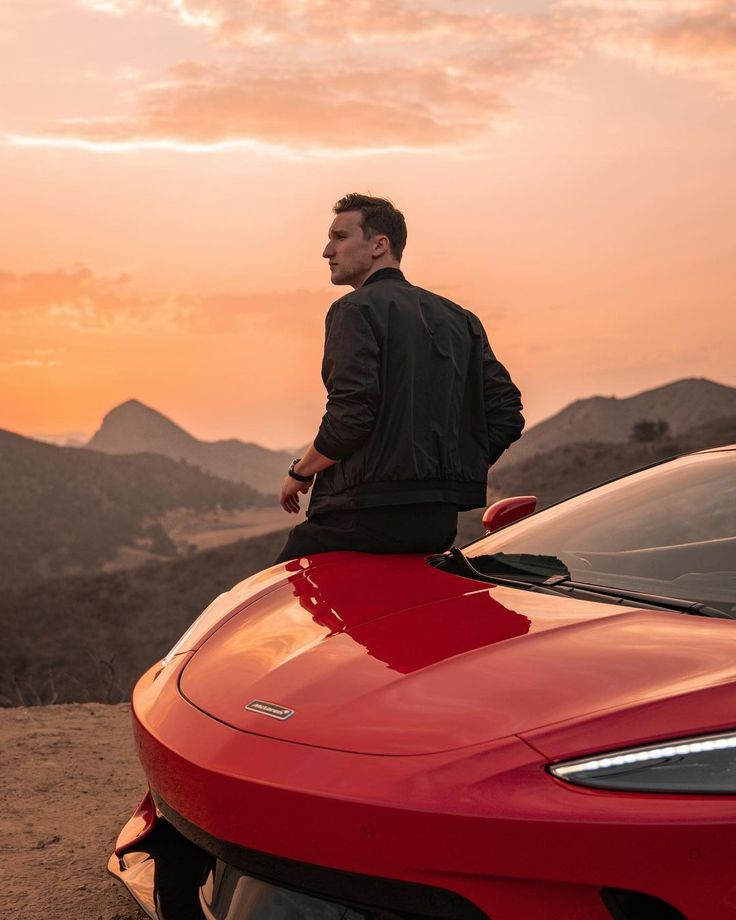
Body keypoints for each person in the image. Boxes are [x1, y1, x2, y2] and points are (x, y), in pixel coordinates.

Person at [274, 193, 524, 564]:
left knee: (277, 603)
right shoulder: (461, 318)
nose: (327, 251)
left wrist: (299, 471)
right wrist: (445, 470)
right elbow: (507, 412)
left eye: (340, 237)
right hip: (435, 525)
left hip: (359, 518)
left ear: (379, 245)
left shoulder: (353, 309)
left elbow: (351, 415)